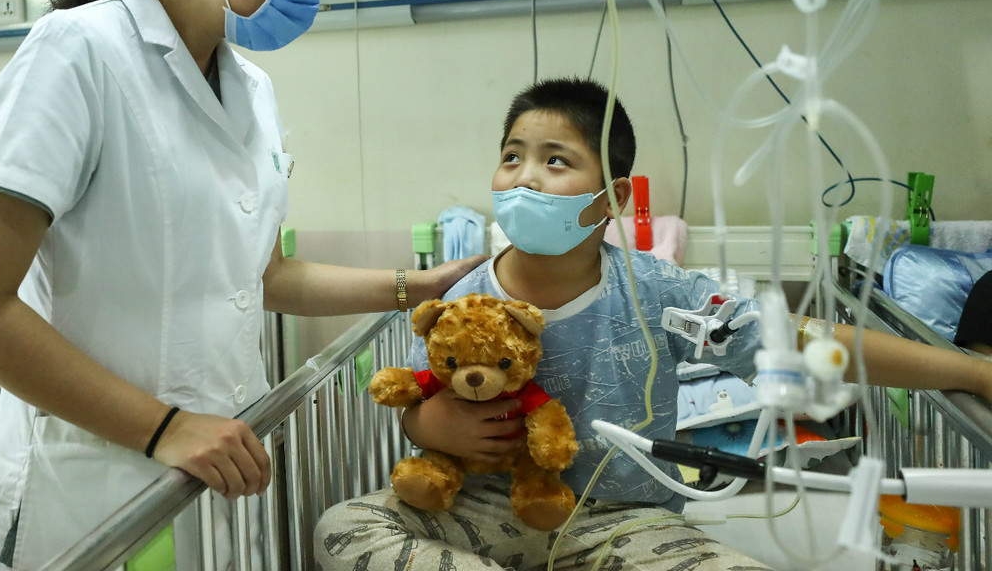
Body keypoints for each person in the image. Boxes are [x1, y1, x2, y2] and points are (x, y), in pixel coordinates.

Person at [0, 0, 481, 571]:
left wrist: (413, 287)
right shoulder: (77, 55)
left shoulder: (250, 89)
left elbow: (264, 276)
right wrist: (164, 427)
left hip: (213, 468)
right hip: (91, 483)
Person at [314, 77, 992, 571]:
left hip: (623, 523)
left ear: (611, 198)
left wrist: (970, 371)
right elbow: (418, 400)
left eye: (556, 160)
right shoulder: (463, 297)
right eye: (512, 155)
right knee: (344, 529)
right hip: (484, 510)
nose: (525, 178)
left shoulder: (658, 293)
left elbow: (800, 340)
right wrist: (425, 426)